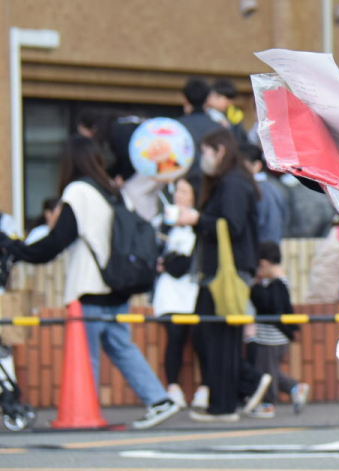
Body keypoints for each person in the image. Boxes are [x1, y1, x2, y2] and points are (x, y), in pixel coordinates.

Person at [0, 136, 182, 429]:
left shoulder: (78, 191)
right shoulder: (114, 191)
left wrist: (16, 249)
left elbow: (57, 241)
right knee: (122, 347)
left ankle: (84, 411)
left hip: (90, 287)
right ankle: (159, 400)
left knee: (85, 354)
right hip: (117, 285)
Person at [173, 129, 271, 422]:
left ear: (218, 150)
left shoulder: (231, 184)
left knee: (214, 335)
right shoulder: (234, 181)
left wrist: (196, 219)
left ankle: (227, 402)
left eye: (205, 152)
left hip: (223, 273)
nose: (202, 159)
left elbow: (232, 225)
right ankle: (242, 388)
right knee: (215, 335)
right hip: (223, 272)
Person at [155, 178, 207, 411]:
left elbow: (186, 261)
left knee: (200, 338)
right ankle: (173, 388)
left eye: (184, 191)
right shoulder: (163, 223)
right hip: (169, 292)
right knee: (174, 337)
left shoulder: (200, 221)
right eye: (177, 191)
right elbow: (155, 254)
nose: (178, 195)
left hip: (193, 288)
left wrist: (168, 262)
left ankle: (205, 388)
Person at [245, 241, 309, 418]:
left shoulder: (277, 284)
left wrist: (255, 287)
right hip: (275, 336)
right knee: (269, 370)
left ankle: (268, 405)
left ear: (263, 264)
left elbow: (267, 305)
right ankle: (296, 388)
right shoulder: (279, 282)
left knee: (265, 372)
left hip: (271, 337)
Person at [177, 77, 222, 188]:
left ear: (185, 99)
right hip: (213, 184)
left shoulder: (176, 127)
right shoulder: (219, 128)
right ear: (208, 99)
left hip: (183, 184)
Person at [241, 143, 289, 246]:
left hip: (261, 248)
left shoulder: (257, 189)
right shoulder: (274, 186)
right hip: (274, 245)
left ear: (257, 165)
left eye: (242, 165)